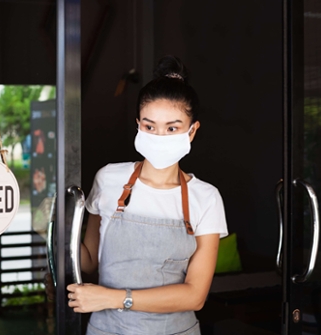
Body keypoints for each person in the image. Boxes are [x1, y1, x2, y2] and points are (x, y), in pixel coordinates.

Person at [66, 55, 228, 335]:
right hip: (106, 330)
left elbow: (195, 296)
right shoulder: (109, 179)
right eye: (150, 126)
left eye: (172, 128)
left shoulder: (206, 198)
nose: (159, 136)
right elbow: (90, 260)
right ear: (137, 124)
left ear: (192, 131)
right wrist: (57, 228)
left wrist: (113, 298)